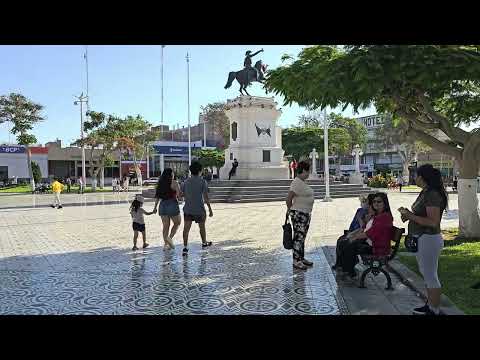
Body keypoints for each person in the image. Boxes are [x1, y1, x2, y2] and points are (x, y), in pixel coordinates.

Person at [398, 164, 448, 315]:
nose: (414, 178)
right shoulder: (425, 192)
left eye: (415, 175)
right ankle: (430, 305)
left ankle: (434, 309)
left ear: (422, 177)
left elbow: (433, 221)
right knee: (427, 274)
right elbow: (421, 215)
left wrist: (410, 215)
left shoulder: (432, 194)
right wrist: (407, 215)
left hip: (429, 239)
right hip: (422, 238)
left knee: (431, 275)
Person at [339, 192, 394, 278]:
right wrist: (354, 235)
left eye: (379, 201)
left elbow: (370, 233)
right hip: (372, 244)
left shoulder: (384, 217)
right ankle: (347, 269)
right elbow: (365, 228)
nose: (376, 203)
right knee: (345, 242)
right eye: (374, 201)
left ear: (385, 203)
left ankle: (348, 271)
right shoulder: (378, 215)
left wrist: (354, 237)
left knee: (349, 244)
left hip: (378, 248)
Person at [332, 193, 375, 270]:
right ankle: (340, 264)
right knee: (340, 240)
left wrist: (353, 235)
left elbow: (365, 229)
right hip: (358, 233)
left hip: (364, 238)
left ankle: (348, 267)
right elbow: (358, 225)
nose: (363, 204)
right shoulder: (361, 211)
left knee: (346, 243)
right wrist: (351, 233)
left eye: (366, 202)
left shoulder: (370, 213)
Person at [286, 161, 315, 270]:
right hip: (299, 213)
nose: (308, 174)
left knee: (302, 237)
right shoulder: (296, 182)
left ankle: (301, 258)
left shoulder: (302, 182)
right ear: (302, 170)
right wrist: (290, 210)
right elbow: (288, 199)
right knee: (298, 237)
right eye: (307, 171)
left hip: (305, 213)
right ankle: (296, 260)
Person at [182, 161, 214, 256]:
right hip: (199, 209)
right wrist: (210, 209)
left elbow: (181, 194)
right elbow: (206, 197)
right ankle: (204, 243)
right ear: (200, 171)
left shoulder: (185, 182)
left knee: (186, 228)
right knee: (202, 227)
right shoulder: (202, 182)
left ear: (191, 171)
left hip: (188, 209)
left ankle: (185, 247)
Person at [153, 168, 181, 250]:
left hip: (162, 205)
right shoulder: (174, 183)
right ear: (171, 174)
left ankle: (165, 244)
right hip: (172, 203)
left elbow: (157, 197)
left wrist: (155, 208)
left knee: (165, 226)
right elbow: (179, 195)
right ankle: (170, 238)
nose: (173, 175)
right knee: (177, 223)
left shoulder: (160, 183)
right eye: (173, 173)